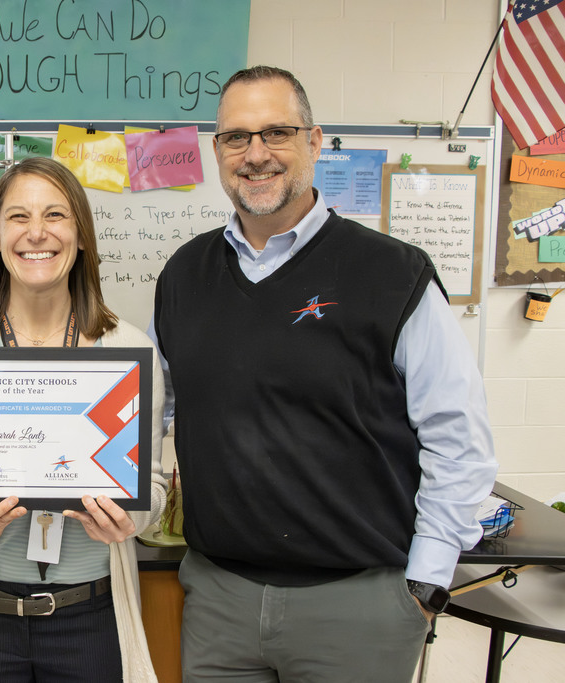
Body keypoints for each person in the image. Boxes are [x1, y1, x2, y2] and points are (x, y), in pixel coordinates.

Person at [153, 65, 499, 682]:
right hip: (218, 601)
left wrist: (426, 580)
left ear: (314, 142)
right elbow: (158, 408)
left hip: (358, 607)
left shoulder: (393, 274)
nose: (256, 154)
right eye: (237, 137)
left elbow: (458, 436)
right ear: (217, 152)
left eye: (276, 133)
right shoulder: (182, 275)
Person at [0, 156, 166, 683]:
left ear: (81, 236)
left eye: (55, 215)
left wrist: (131, 519)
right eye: (18, 217)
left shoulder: (128, 351)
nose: (37, 233)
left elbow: (154, 488)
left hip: (92, 617)